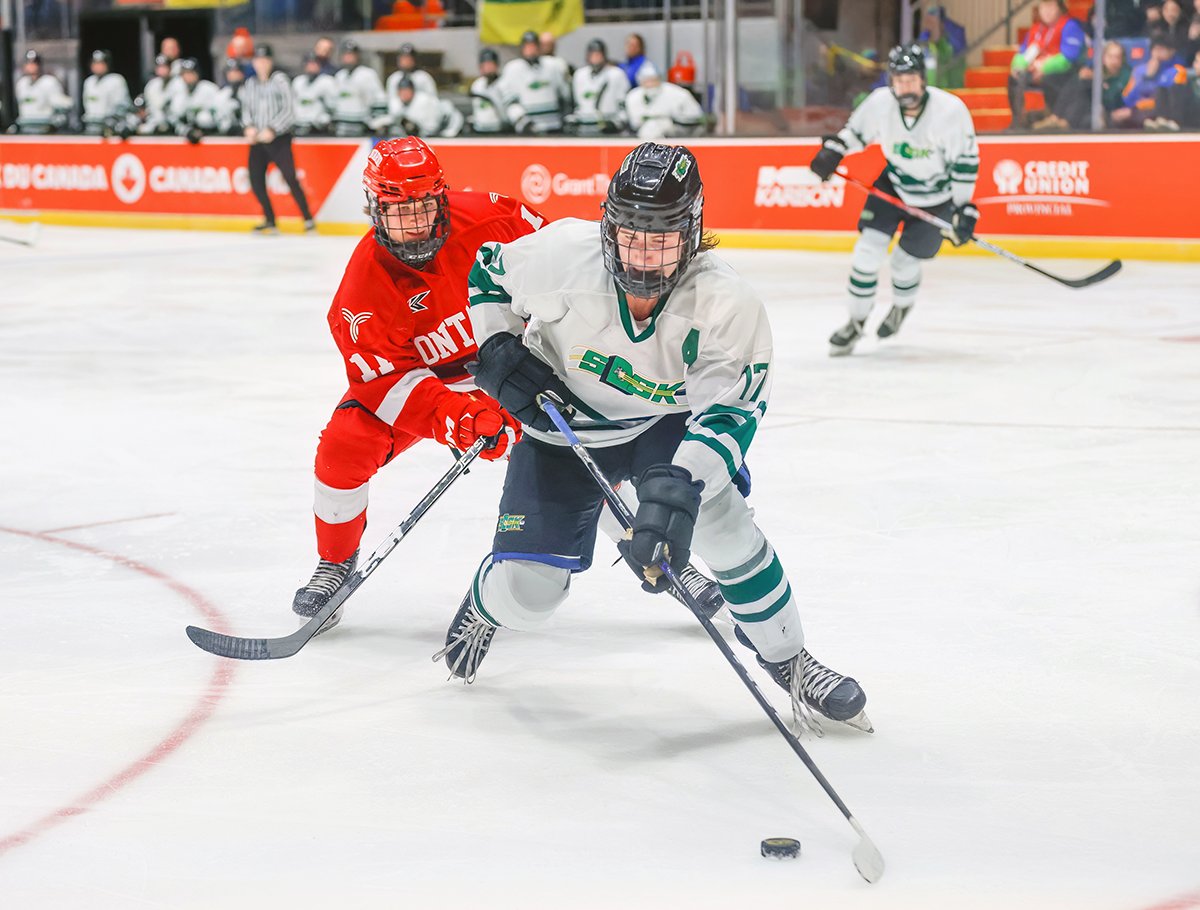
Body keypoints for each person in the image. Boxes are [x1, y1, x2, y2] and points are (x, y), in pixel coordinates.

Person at [435, 142, 871, 732]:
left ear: (692, 233)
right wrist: (497, 344)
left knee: (723, 525)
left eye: (661, 238)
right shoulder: (564, 255)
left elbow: (729, 414)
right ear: (608, 226)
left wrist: (679, 488)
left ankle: (790, 661)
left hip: (657, 425)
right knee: (530, 595)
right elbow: (489, 269)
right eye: (630, 235)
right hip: (561, 424)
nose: (642, 256)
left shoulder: (726, 302)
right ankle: (488, 606)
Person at [290, 138, 546, 631]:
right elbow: (387, 383)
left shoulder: (496, 221)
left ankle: (648, 542)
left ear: (442, 199)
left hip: (515, 362)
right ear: (374, 209)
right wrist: (455, 417)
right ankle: (336, 564)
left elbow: (566, 283)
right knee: (344, 447)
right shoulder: (362, 292)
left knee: (575, 443)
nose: (414, 224)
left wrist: (526, 386)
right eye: (397, 211)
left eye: (424, 207)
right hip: (431, 385)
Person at [811, 44, 979, 355]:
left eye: (911, 79)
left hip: (937, 199)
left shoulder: (950, 111)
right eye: (899, 80)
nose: (905, 87)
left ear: (922, 79)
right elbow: (854, 134)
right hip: (893, 186)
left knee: (903, 263)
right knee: (866, 254)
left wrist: (962, 209)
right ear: (891, 81)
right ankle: (856, 322)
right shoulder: (879, 104)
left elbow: (965, 163)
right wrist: (834, 150)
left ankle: (900, 308)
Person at [240, 44, 315, 234]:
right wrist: (248, 127)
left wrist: (273, 129)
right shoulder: (250, 83)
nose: (261, 64)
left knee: (290, 178)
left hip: (279, 139)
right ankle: (270, 219)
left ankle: (307, 219)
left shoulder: (280, 80)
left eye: (265, 60)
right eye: (258, 60)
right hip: (257, 140)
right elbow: (246, 109)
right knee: (255, 179)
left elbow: (289, 109)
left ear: (271, 61)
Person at [1008, 0, 1087, 128]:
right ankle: (1018, 121)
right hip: (1037, 72)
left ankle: (1055, 117)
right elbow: (1022, 54)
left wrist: (1044, 67)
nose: (1046, 11)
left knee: (1050, 78)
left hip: (1063, 74)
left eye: (1050, 6)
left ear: (1060, 8)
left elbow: (1069, 57)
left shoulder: (1069, 25)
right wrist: (1019, 66)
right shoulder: (1036, 29)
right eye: (1043, 7)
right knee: (1015, 77)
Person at [1038, 40, 1132, 129]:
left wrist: (1098, 82)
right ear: (1103, 58)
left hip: (1109, 111)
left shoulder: (1126, 75)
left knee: (1086, 89)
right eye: (1110, 57)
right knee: (1078, 82)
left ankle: (1061, 120)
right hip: (1089, 108)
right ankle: (1056, 117)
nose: (1114, 61)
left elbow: (1112, 98)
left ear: (1122, 59)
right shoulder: (1098, 70)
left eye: (1117, 57)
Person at [500, 30, 571, 134]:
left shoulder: (553, 66)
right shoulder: (512, 69)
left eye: (533, 46)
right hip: (528, 130)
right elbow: (509, 101)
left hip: (554, 125)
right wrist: (522, 122)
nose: (531, 50)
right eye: (528, 46)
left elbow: (564, 95)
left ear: (539, 47)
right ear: (522, 48)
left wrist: (565, 116)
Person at [1119, 32, 1190, 128]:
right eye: (1155, 49)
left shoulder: (1177, 71)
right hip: (1137, 111)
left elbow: (1170, 101)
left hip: (1162, 114)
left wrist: (1140, 106)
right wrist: (1147, 76)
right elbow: (1127, 99)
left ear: (1171, 51)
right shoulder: (1139, 70)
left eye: (1162, 50)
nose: (1157, 54)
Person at [624, 62, 704, 140]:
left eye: (653, 80)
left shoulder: (679, 93)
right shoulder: (632, 96)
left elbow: (694, 118)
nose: (650, 84)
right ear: (640, 81)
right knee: (651, 127)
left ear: (660, 78)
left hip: (677, 134)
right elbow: (634, 123)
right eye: (646, 80)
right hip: (642, 135)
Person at [569, 37, 631, 135]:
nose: (595, 58)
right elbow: (578, 104)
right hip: (585, 128)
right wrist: (574, 119)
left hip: (609, 127)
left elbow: (624, 104)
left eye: (598, 54)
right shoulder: (580, 75)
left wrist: (618, 123)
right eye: (592, 55)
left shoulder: (616, 74)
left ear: (604, 55)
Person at [332, 39, 387, 136]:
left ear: (357, 56)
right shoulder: (339, 76)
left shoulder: (367, 74)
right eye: (346, 54)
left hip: (361, 128)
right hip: (342, 128)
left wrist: (377, 124)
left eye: (351, 54)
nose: (348, 57)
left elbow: (379, 99)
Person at [12, 50, 71, 134]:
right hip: (25, 129)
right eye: (28, 63)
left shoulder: (49, 82)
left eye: (34, 63)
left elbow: (62, 105)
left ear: (40, 65)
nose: (31, 66)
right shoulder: (21, 83)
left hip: (45, 130)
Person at [388, 76, 463, 137]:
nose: (404, 93)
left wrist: (415, 128)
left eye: (407, 90)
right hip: (420, 135)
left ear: (413, 91)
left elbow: (432, 128)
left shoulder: (425, 101)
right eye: (401, 91)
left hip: (448, 126)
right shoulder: (395, 102)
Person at [167, 59, 222, 140]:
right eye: (185, 73)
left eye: (190, 73)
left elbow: (219, 113)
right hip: (186, 133)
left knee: (203, 117)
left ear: (197, 74)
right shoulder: (178, 91)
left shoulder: (209, 88)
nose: (188, 76)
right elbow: (174, 116)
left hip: (209, 133)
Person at [80, 49, 131, 135]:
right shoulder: (89, 82)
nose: (98, 66)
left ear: (107, 64)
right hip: (91, 126)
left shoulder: (116, 80)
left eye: (101, 63)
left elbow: (122, 106)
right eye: (95, 63)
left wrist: (113, 120)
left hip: (109, 128)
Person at [293, 52, 337, 136]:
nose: (312, 67)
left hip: (318, 128)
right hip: (300, 125)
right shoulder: (298, 81)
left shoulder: (327, 81)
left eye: (314, 64)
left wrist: (326, 118)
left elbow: (334, 105)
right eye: (309, 64)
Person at [468, 48, 510, 134]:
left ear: (496, 65)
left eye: (491, 64)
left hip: (500, 131)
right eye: (485, 65)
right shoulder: (477, 85)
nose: (488, 68)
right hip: (480, 131)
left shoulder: (504, 83)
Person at [139, 54, 180, 134]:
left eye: (165, 67)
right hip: (154, 122)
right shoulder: (151, 85)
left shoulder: (178, 83)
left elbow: (178, 110)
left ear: (170, 68)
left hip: (174, 123)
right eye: (159, 67)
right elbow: (148, 107)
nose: (161, 70)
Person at [214, 58, 245, 135]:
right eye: (230, 71)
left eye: (236, 71)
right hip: (226, 132)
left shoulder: (250, 91)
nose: (233, 74)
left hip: (247, 131)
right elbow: (218, 116)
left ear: (242, 73)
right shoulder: (221, 94)